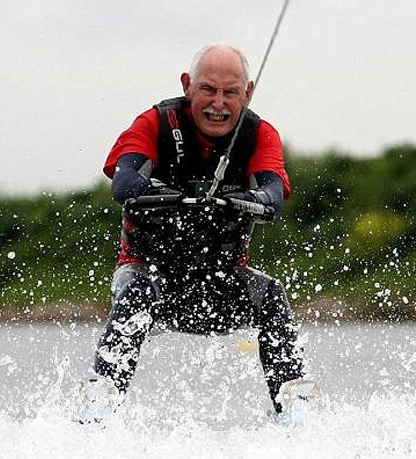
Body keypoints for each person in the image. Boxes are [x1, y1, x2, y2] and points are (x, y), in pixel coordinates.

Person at [88, 44, 310, 418]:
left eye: (230, 92)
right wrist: (177, 196)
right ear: (188, 85)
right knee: (136, 291)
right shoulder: (155, 123)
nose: (218, 104)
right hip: (150, 278)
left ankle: (298, 414)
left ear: (247, 92)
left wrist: (237, 198)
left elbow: (273, 195)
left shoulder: (260, 135)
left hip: (221, 286)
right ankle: (97, 411)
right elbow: (123, 183)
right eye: (207, 89)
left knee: (271, 294)